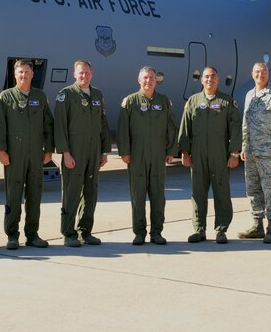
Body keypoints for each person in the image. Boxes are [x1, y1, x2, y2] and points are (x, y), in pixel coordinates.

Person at [0, 59, 54, 249]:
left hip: (35, 154)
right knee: (13, 196)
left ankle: (32, 234)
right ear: (14, 74)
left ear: (33, 74)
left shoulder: (40, 97)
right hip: (14, 155)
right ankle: (12, 235)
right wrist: (1, 151)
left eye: (27, 72)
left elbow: (48, 125)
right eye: (20, 72)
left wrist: (49, 150)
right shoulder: (5, 97)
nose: (24, 76)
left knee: (35, 195)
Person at [178, 66, 242, 244]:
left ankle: (221, 230)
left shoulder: (227, 102)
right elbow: (185, 128)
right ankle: (199, 229)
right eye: (206, 77)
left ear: (218, 80)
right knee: (198, 193)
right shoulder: (193, 101)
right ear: (201, 80)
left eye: (213, 77)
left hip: (220, 155)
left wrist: (234, 153)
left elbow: (235, 129)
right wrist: (184, 152)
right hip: (197, 155)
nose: (209, 80)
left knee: (222, 192)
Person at [117, 66, 177, 246]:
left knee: (158, 195)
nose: (148, 81)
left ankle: (157, 232)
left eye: (151, 78)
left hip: (158, 154)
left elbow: (171, 128)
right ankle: (139, 233)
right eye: (145, 78)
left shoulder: (164, 101)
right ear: (138, 80)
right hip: (137, 155)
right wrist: (125, 152)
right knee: (138, 195)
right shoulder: (130, 102)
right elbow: (123, 130)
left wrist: (171, 151)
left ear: (155, 80)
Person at [54, 60, 111, 247]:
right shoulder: (66, 95)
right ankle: (68, 232)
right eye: (80, 73)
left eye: (87, 72)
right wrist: (66, 153)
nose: (84, 76)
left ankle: (85, 231)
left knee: (90, 191)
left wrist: (104, 151)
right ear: (74, 74)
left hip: (93, 151)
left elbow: (103, 124)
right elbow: (60, 126)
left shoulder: (97, 94)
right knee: (71, 192)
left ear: (91, 74)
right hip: (74, 151)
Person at [238, 62, 271, 244]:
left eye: (264, 71)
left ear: (268, 73)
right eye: (257, 72)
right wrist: (244, 147)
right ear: (252, 74)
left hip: (269, 152)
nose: (260, 74)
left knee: (270, 189)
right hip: (251, 152)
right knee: (253, 189)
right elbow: (245, 123)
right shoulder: (249, 95)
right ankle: (257, 225)